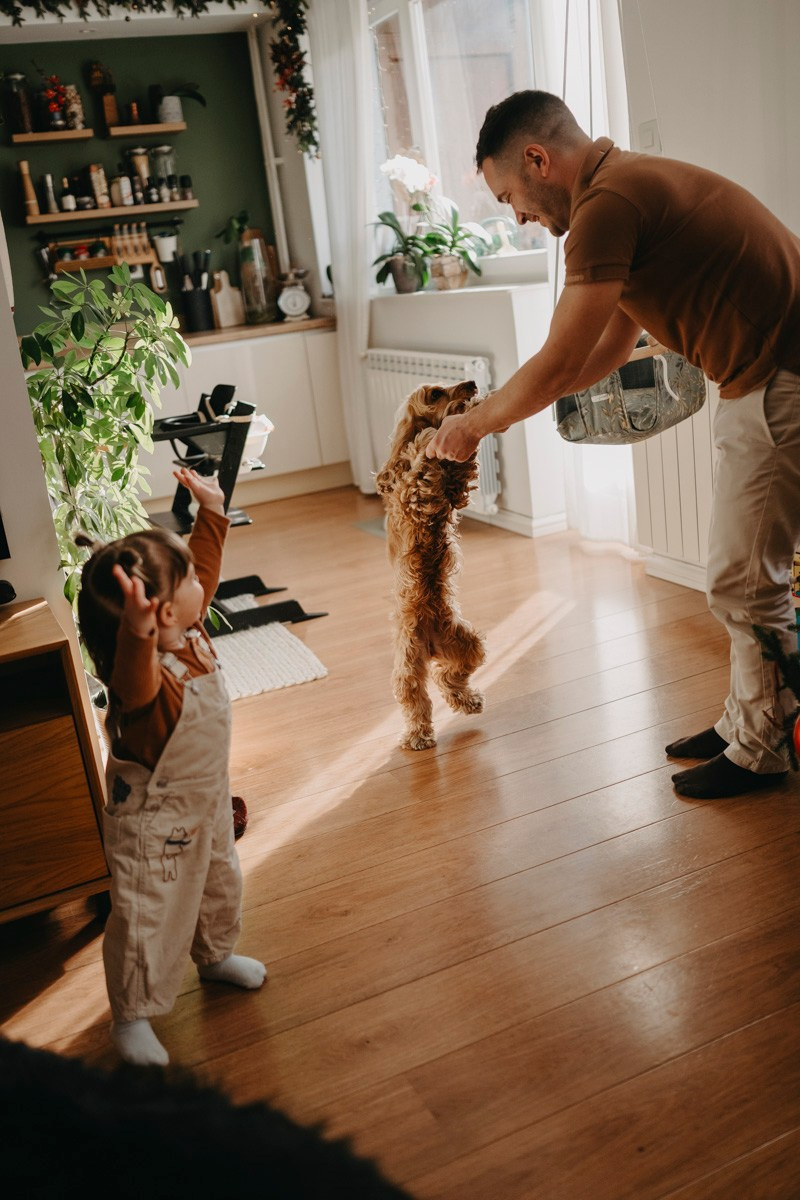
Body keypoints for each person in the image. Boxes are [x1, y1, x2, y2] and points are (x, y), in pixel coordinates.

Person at [426, 89, 800, 800]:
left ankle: (762, 748)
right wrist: (520, 408)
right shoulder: (622, 188)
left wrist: (478, 423)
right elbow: (606, 346)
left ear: (538, 159)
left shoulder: (608, 208)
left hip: (783, 375)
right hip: (761, 376)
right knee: (742, 572)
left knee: (744, 580)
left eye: (513, 196)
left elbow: (564, 358)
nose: (520, 217)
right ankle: (746, 722)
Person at [77, 467, 266, 1067]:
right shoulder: (145, 680)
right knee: (148, 910)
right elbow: (133, 681)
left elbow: (203, 574)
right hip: (154, 821)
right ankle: (131, 1014)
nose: (198, 581)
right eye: (183, 577)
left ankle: (214, 956)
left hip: (206, 794)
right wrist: (134, 637)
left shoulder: (187, 629)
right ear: (155, 618)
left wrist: (212, 512)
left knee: (218, 877)